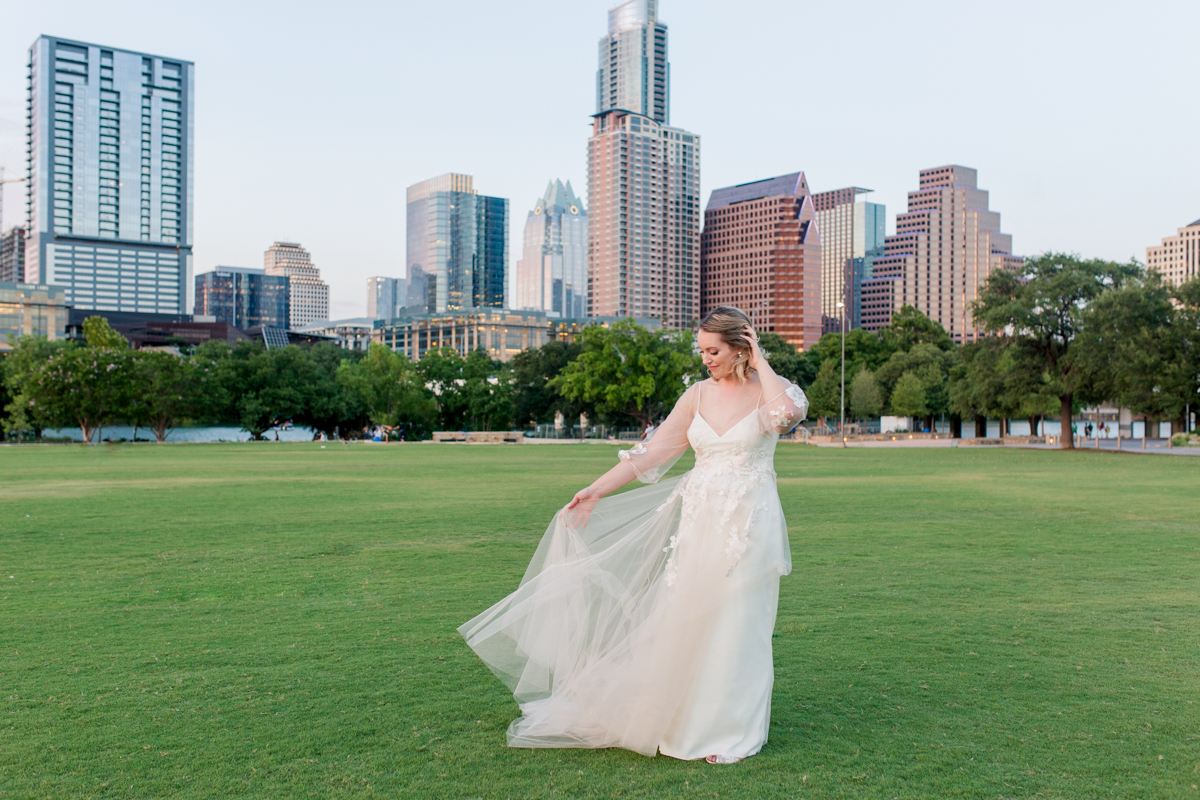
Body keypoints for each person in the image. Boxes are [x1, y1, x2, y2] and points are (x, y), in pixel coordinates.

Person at [459, 306, 808, 764]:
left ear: (741, 346)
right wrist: (595, 490)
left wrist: (760, 359)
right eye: (701, 350)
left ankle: (731, 732)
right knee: (691, 621)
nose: (705, 358)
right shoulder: (697, 396)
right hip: (700, 521)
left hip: (748, 526)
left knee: (740, 625)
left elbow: (786, 416)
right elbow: (650, 453)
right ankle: (684, 724)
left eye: (714, 350)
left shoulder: (769, 390)